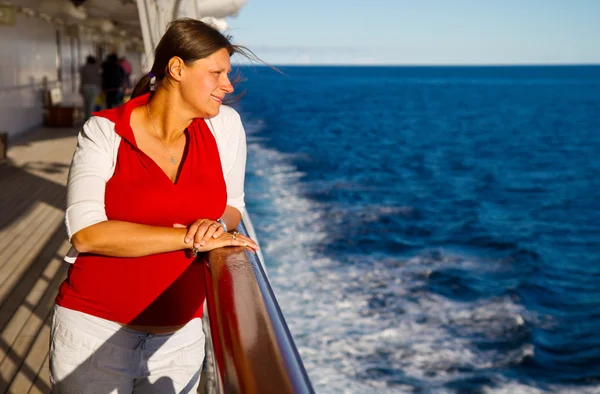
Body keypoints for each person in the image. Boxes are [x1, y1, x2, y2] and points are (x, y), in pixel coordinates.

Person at [50, 18, 260, 393]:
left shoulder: (224, 127)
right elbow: (85, 234)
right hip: (94, 333)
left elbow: (233, 206)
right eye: (217, 73)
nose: (227, 86)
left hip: (179, 339)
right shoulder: (104, 131)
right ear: (177, 68)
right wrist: (190, 240)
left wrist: (213, 225)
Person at [79, 55, 101, 121]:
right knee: (92, 103)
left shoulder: (83, 68)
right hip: (95, 87)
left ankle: (86, 117)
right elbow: (99, 79)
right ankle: (89, 118)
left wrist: (80, 88)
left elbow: (82, 79)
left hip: (85, 87)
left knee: (86, 103)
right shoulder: (97, 68)